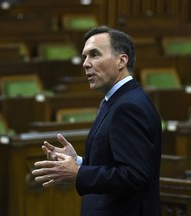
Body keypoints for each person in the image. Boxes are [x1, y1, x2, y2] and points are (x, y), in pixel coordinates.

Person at [32, 26, 162, 216]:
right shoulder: (118, 101)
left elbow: (135, 176)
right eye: (85, 56)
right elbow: (112, 164)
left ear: (121, 60)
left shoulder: (128, 107)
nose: (86, 63)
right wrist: (77, 162)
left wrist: (78, 174)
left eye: (94, 55)